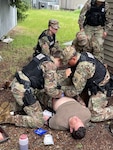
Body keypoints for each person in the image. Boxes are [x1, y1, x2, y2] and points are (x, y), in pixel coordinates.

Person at [0, 51, 64, 128]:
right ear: (60, 60)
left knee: (28, 103)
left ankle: (8, 106)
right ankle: (6, 118)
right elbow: (50, 91)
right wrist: (61, 93)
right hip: (24, 91)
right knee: (38, 122)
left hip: (18, 83)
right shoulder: (50, 66)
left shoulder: (43, 57)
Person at [60, 45, 113, 122]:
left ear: (73, 58)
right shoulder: (82, 55)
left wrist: (60, 89)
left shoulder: (82, 67)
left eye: (68, 62)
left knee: (94, 116)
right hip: (94, 81)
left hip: (102, 87)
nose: (67, 64)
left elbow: (75, 91)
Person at [0, 96, 91, 140]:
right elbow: (82, 103)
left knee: (35, 99)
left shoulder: (59, 123)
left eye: (75, 122)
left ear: (71, 129)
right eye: (79, 120)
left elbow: (45, 119)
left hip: (52, 98)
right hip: (69, 93)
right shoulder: (87, 115)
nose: (76, 118)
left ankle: (7, 116)